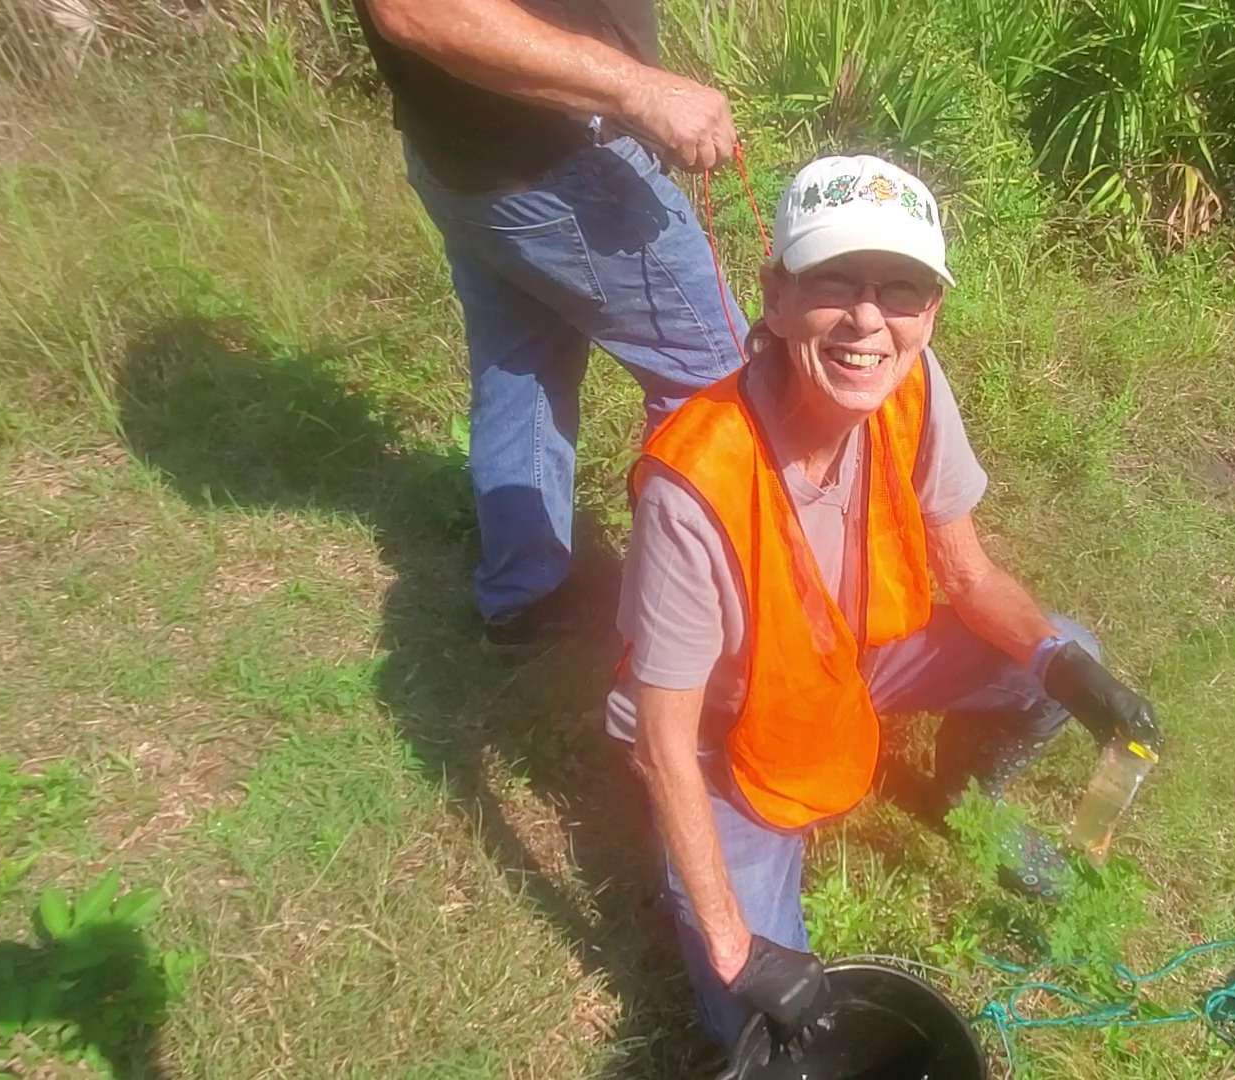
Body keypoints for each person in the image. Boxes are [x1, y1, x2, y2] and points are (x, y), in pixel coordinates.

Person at [605, 155, 1167, 1050]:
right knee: (758, 1015)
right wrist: (735, 946)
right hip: (731, 730)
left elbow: (971, 576)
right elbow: (664, 741)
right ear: (778, 298)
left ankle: (958, 795)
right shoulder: (694, 482)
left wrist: (1071, 673)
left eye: (902, 290)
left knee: (1058, 646)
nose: (869, 319)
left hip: (855, 661)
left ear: (930, 313)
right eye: (836, 282)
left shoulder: (910, 385)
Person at [353, 0, 751, 648]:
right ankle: (687, 625)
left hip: (473, 161)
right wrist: (638, 86)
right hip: (558, 161)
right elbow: (417, 10)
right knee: (720, 386)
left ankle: (526, 598)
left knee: (521, 368)